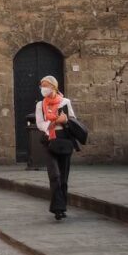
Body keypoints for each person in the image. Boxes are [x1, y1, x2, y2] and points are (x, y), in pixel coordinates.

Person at [35, 75, 77, 221]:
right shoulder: (40, 105)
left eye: (45, 85)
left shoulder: (65, 102)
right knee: (55, 175)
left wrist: (65, 120)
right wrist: (54, 123)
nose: (43, 88)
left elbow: (73, 119)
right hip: (49, 140)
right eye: (41, 86)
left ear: (53, 86)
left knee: (63, 177)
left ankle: (61, 207)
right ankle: (57, 208)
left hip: (64, 140)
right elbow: (40, 124)